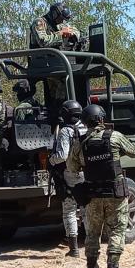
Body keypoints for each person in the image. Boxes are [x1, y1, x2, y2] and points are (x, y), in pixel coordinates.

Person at [68, 104, 135, 268]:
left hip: (92, 194)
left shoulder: (81, 141)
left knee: (93, 232)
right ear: (101, 119)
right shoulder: (114, 136)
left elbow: (72, 167)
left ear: (85, 122)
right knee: (117, 229)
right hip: (115, 193)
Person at [49, 100, 88, 257]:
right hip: (87, 173)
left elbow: (62, 156)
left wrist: (51, 160)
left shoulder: (66, 131)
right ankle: (91, 243)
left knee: (70, 210)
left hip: (70, 174)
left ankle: (74, 249)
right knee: (86, 210)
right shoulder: (85, 127)